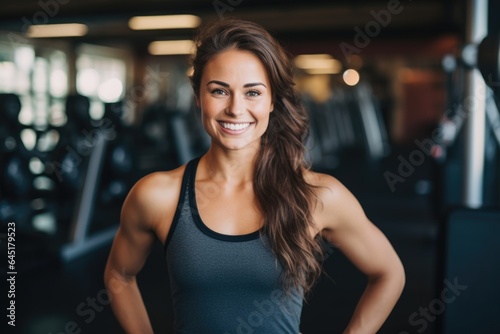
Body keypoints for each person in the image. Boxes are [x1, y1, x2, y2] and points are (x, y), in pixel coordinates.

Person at [104, 18, 405, 334]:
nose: (235, 109)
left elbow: (389, 273)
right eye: (219, 90)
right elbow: (118, 275)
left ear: (272, 100)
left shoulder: (317, 195)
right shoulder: (158, 194)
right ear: (198, 97)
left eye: (253, 93)